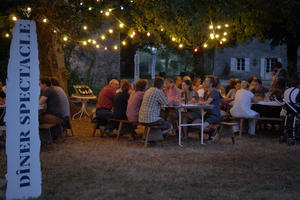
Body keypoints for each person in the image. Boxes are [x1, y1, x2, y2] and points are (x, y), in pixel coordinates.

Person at [139, 76, 172, 143]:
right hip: (150, 119)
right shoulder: (158, 91)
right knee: (169, 126)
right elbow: (167, 103)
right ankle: (155, 137)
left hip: (142, 118)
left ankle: (148, 138)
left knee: (162, 117)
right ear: (161, 84)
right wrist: (167, 92)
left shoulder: (148, 90)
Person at [197, 75, 222, 141]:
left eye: (206, 81)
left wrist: (199, 102)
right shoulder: (206, 92)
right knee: (196, 123)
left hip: (214, 115)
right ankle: (212, 130)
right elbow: (203, 102)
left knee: (201, 126)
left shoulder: (215, 92)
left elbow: (207, 102)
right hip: (207, 114)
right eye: (205, 81)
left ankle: (213, 131)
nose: (204, 82)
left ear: (211, 84)